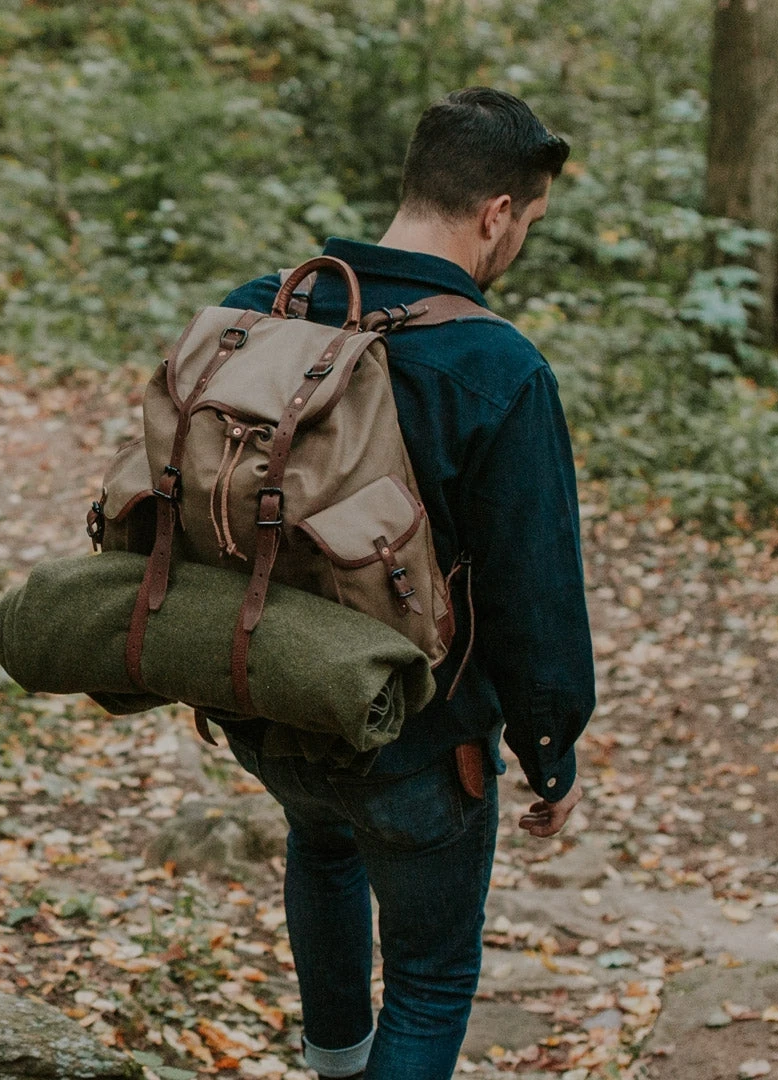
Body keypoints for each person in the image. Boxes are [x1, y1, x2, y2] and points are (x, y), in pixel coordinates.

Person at [215, 88, 595, 1080]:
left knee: (325, 847)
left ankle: (333, 1067)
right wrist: (549, 748)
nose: (521, 244)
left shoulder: (257, 310)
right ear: (497, 213)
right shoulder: (497, 365)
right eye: (531, 222)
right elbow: (534, 591)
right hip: (418, 741)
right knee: (428, 979)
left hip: (270, 699)